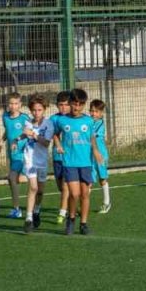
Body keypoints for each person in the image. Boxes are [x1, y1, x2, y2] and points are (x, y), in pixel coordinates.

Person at [53, 89, 101, 236]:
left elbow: (91, 137)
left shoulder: (88, 120)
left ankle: (84, 223)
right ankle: (71, 219)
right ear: (70, 103)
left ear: (84, 105)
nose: (77, 107)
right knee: (74, 194)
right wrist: (58, 145)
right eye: (74, 104)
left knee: (85, 194)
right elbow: (55, 134)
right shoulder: (62, 120)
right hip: (69, 163)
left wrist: (95, 151)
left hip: (85, 163)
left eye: (80, 104)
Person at [19, 94, 55, 233]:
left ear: (44, 110)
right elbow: (24, 134)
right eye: (34, 110)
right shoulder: (28, 123)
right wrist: (17, 140)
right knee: (33, 187)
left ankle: (36, 211)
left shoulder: (48, 124)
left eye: (39, 110)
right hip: (30, 160)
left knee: (40, 191)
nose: (36, 113)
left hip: (42, 160)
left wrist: (34, 134)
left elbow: (46, 143)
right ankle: (28, 219)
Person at [0, 92, 28, 219]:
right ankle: (17, 208)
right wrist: (1, 141)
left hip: (22, 155)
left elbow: (29, 133)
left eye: (16, 103)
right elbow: (8, 131)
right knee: (13, 180)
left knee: (11, 178)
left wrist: (19, 142)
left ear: (20, 105)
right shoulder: (5, 116)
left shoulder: (24, 118)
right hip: (12, 154)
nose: (13, 106)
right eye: (11, 103)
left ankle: (17, 209)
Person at [51, 91, 72, 225]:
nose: (63, 107)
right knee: (61, 187)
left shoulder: (74, 119)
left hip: (70, 159)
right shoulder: (54, 119)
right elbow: (53, 133)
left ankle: (62, 213)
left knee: (66, 186)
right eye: (61, 105)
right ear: (57, 105)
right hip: (57, 158)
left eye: (66, 105)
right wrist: (57, 144)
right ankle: (72, 207)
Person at [90, 98, 111, 214]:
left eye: (96, 111)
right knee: (88, 181)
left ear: (101, 113)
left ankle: (107, 202)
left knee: (102, 178)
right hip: (90, 156)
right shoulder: (88, 121)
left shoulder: (101, 124)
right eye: (92, 111)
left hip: (100, 155)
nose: (93, 114)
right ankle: (82, 205)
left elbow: (91, 135)